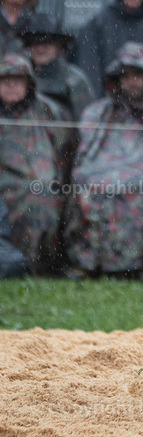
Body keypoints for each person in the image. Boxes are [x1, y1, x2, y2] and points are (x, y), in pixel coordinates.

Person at [67, 43, 143, 277]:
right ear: (117, 79)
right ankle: (86, 263)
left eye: (139, 75)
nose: (133, 81)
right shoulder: (98, 112)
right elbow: (85, 156)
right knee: (85, 189)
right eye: (127, 76)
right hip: (101, 175)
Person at [0, 52, 75, 274]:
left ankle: (36, 266)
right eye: (5, 80)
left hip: (40, 185)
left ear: (29, 84)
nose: (11, 85)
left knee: (42, 196)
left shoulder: (52, 112)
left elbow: (66, 155)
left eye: (18, 79)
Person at [16, 12, 95, 119]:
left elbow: (85, 124)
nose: (40, 49)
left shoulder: (75, 81)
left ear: (58, 46)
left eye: (46, 43)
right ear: (28, 46)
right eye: (35, 43)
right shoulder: (16, 76)